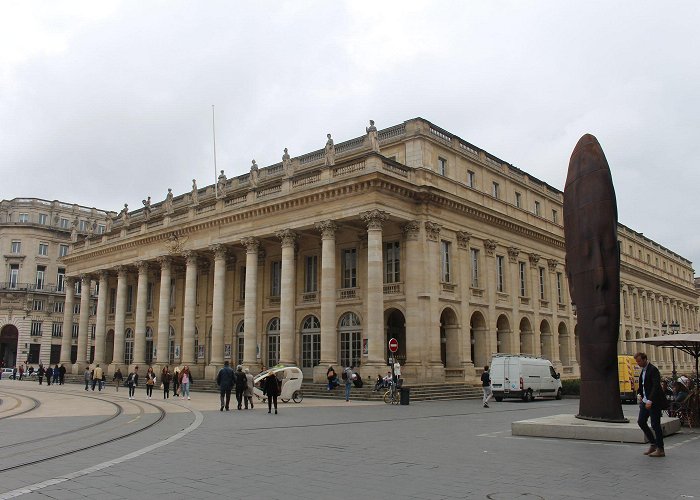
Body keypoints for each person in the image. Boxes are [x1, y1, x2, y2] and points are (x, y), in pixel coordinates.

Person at [635, 352, 669, 457]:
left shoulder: (653, 370)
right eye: (637, 361)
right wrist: (639, 394)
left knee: (655, 425)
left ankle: (660, 449)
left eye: (639, 361)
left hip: (653, 402)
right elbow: (642, 385)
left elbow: (655, 386)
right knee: (641, 422)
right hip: (645, 401)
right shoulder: (643, 371)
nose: (638, 363)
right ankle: (653, 444)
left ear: (645, 359)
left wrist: (650, 400)